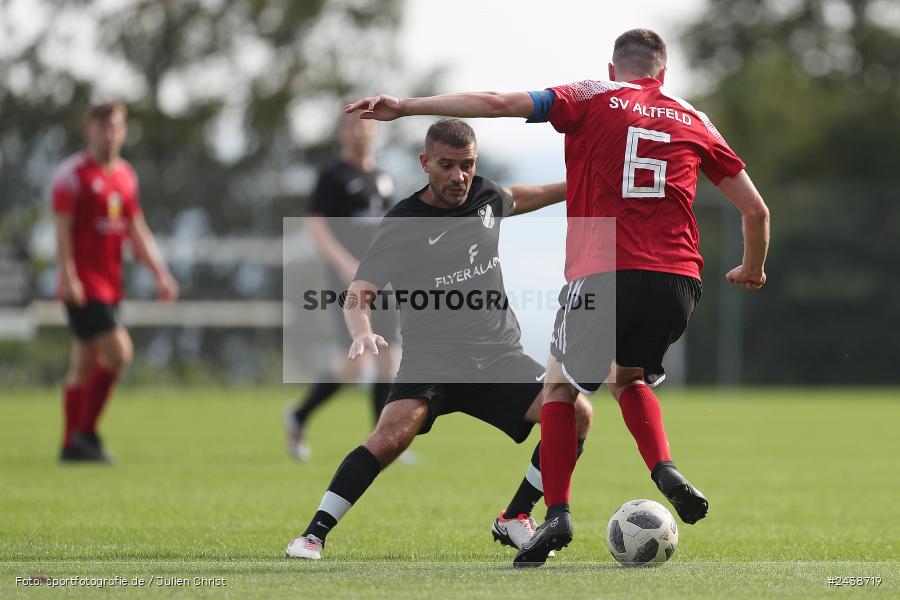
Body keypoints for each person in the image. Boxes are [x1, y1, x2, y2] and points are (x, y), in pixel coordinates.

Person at [345, 28, 771, 567]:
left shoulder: (591, 94)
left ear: (614, 69)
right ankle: (663, 466)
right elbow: (755, 212)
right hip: (678, 278)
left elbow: (497, 103)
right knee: (631, 376)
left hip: (601, 271)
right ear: (662, 75)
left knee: (560, 391)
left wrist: (406, 106)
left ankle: (558, 512)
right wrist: (751, 268)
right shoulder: (695, 118)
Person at [285, 119, 592, 560]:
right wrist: (363, 332)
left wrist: (579, 183)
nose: (458, 176)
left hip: (498, 356)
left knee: (575, 412)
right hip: (433, 359)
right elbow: (359, 292)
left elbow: (519, 196)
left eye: (466, 165)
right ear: (424, 163)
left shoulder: (485, 195)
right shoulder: (404, 222)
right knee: (391, 436)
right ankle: (313, 534)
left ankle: (515, 515)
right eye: (446, 166)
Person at [52, 101, 179, 462]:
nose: (109, 133)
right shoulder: (72, 175)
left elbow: (137, 230)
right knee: (120, 352)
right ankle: (86, 435)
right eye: (101, 126)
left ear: (123, 131)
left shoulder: (125, 175)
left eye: (115, 126)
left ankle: (68, 446)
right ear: (88, 130)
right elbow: (60, 230)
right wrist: (69, 276)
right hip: (83, 286)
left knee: (83, 367)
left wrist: (160, 273)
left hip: (110, 286)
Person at [282, 111, 401, 462]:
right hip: (348, 281)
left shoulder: (383, 178)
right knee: (357, 361)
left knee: (388, 357)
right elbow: (316, 227)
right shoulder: (332, 176)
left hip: (383, 279)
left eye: (363, 122)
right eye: (350, 123)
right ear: (341, 132)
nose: (357, 128)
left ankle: (383, 441)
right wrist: (344, 264)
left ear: (374, 129)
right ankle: (299, 416)